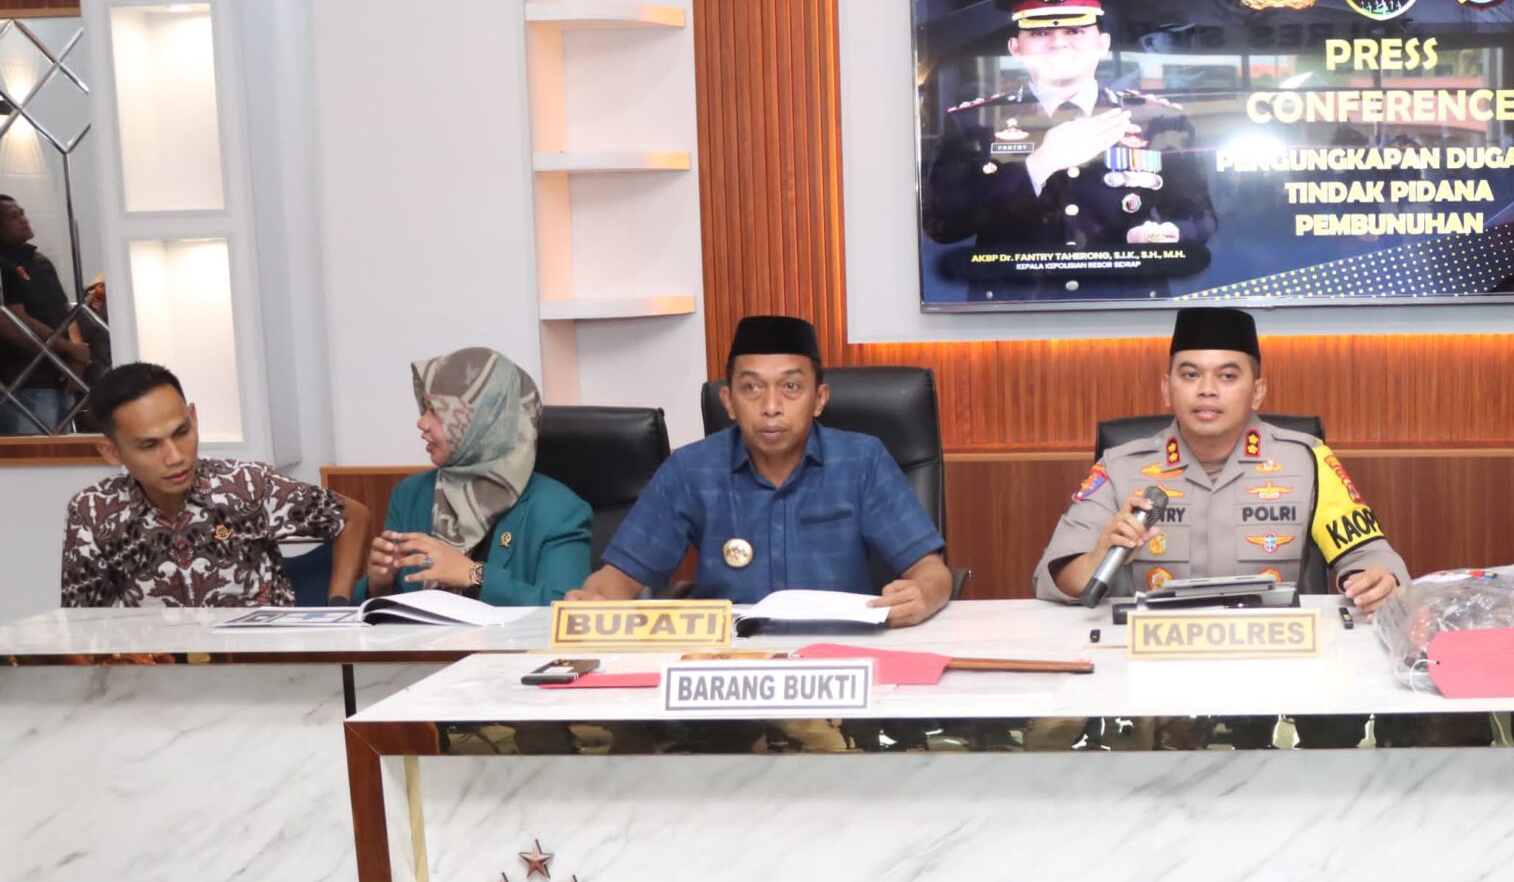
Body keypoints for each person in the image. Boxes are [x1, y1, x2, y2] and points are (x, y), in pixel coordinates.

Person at [565, 314, 953, 626]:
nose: (771, 406)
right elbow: (617, 579)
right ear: (728, 401)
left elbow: (933, 572)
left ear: (819, 399)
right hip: (728, 665)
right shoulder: (690, 469)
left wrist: (923, 594)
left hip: (839, 656)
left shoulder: (862, 461)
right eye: (752, 388)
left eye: (790, 387)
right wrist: (593, 600)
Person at [1036, 306, 1409, 610]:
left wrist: (1378, 580)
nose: (1207, 390)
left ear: (1257, 392)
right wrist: (1099, 555)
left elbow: (1370, 556)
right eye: (1190, 375)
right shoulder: (1119, 467)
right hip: (1152, 655)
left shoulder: (1308, 461)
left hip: (1274, 653)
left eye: (1228, 376)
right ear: (1167, 388)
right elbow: (1053, 579)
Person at [920, 0, 1215, 301]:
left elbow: (1200, 217)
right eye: (1040, 32)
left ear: (1103, 44)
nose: (1058, 43)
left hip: (1124, 304)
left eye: (1075, 30)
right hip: (1013, 308)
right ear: (1015, 47)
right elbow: (942, 225)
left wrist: (1172, 233)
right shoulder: (973, 122)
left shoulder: (1157, 118)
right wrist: (1037, 166)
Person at [60, 361, 367, 608]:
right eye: (149, 445)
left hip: (261, 654)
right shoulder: (94, 511)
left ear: (193, 418)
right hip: (160, 661)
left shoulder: (245, 484)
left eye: (182, 432)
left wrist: (337, 605)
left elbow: (353, 517)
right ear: (112, 452)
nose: (175, 457)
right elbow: (81, 624)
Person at [365, 347, 592, 606]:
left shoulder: (559, 510)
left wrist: (473, 575)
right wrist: (378, 585)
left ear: (484, 422)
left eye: (435, 411)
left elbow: (566, 608)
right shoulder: (410, 495)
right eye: (424, 408)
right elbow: (378, 608)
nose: (422, 422)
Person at [1, 193, 90, 436]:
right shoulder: (4, 266)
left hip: (62, 380)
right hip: (25, 382)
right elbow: (13, 322)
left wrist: (77, 357)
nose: (23, 219)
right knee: (33, 454)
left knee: (65, 454)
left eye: (22, 213)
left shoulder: (40, 262)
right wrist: (67, 348)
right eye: (13, 217)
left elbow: (67, 313)